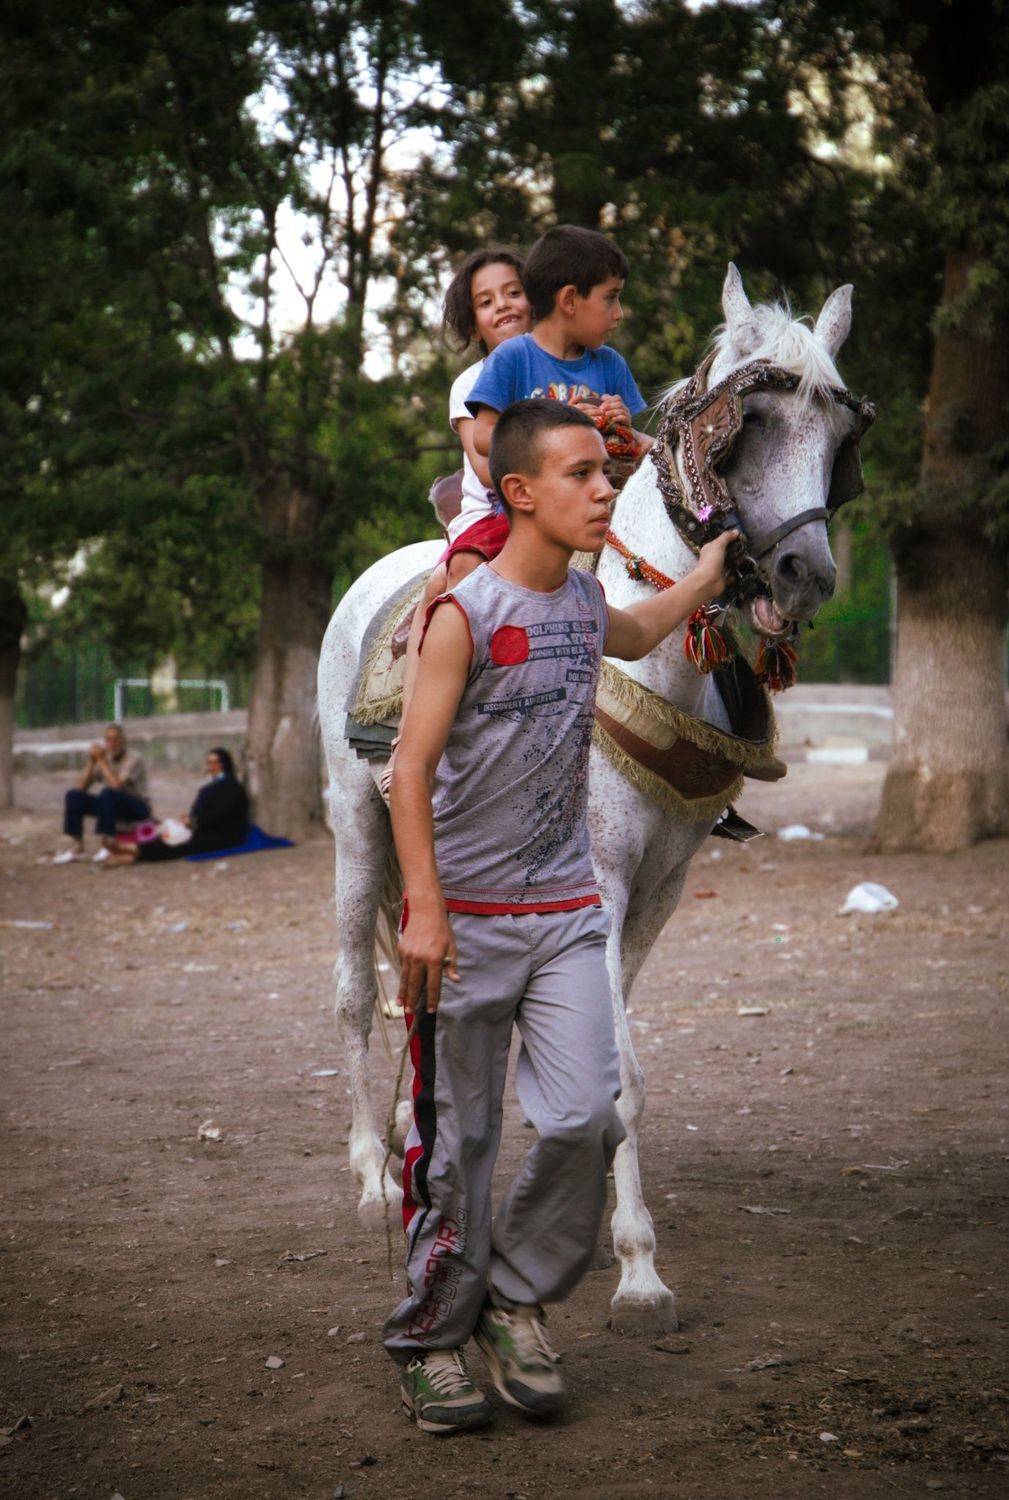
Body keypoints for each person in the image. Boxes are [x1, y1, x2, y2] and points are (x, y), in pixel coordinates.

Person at [386, 399, 737, 1435]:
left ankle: (515, 1300)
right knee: (458, 1147)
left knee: (587, 1114)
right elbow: (409, 771)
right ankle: (431, 1341)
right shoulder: (463, 616)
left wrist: (707, 576)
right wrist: (423, 911)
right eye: (581, 474)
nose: (603, 489)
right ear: (520, 493)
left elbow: (639, 629)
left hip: (566, 914)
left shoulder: (585, 603)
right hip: (463, 926)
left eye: (605, 473)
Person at [398, 247, 533, 722]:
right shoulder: (472, 383)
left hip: (572, 503)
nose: (503, 305)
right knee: (455, 578)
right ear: (475, 326)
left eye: (513, 292)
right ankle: (423, 713)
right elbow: (486, 469)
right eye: (487, 301)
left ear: (535, 301)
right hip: (497, 512)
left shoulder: (568, 370)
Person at [466, 223, 655, 473]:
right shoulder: (511, 358)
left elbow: (630, 448)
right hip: (535, 495)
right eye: (611, 297)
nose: (619, 313)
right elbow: (483, 436)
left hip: (604, 493)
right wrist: (556, 431)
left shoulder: (611, 364)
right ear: (569, 300)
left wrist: (624, 428)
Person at [105, 748, 249, 866]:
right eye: (209, 762)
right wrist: (190, 819)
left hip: (223, 834)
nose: (212, 767)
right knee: (169, 836)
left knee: (181, 844)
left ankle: (132, 850)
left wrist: (194, 821)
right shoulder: (214, 786)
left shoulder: (232, 788)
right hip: (205, 828)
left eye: (216, 762)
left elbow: (220, 814)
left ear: (224, 764)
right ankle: (133, 854)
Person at [56, 724, 151, 863]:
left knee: (108, 793)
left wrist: (101, 760)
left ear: (124, 741)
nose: (112, 743)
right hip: (113, 804)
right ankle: (77, 847)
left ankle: (107, 845)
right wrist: (91, 761)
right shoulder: (106, 759)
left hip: (137, 807)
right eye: (109, 740)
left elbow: (117, 786)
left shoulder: (134, 758)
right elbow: (80, 787)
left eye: (116, 739)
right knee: (73, 796)